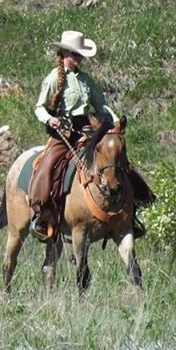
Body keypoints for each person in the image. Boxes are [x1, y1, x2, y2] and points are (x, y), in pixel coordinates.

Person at [29, 31, 110, 240]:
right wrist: (49, 119)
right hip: (63, 131)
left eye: (80, 55)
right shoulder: (52, 79)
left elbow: (100, 104)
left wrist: (113, 120)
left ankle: (129, 209)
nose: (79, 59)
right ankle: (43, 213)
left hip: (86, 129)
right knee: (48, 166)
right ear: (65, 53)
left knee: (114, 157)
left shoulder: (86, 80)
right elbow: (39, 107)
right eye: (75, 54)